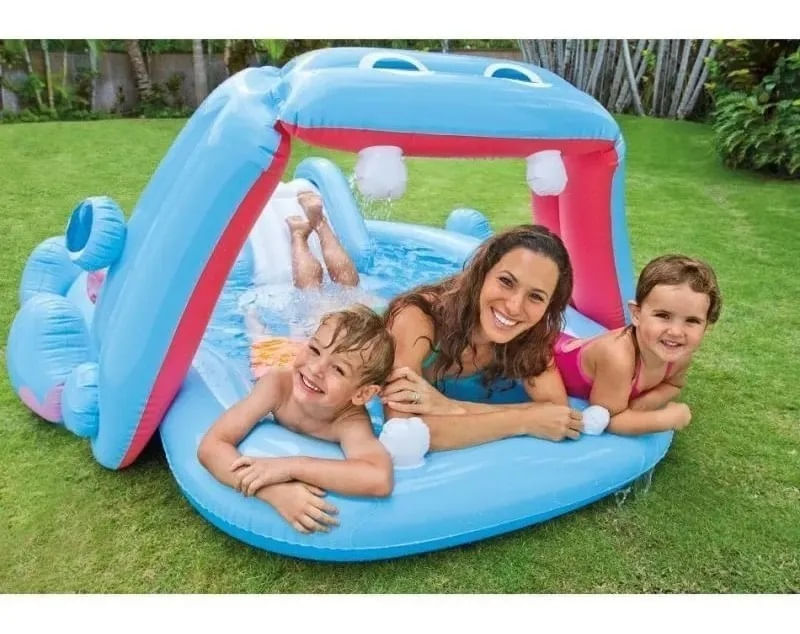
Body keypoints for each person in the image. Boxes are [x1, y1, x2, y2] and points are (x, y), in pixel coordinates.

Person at [381, 224, 583, 450]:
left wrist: (450, 407)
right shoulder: (417, 318)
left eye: (535, 297)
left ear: (548, 308)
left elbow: (556, 413)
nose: (514, 307)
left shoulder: (531, 336)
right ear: (482, 273)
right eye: (506, 282)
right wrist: (524, 420)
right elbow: (403, 433)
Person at [198, 304, 395, 534]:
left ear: (362, 394)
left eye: (339, 370)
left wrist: (291, 467)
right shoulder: (277, 387)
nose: (317, 368)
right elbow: (211, 446)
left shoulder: (349, 421)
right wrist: (273, 492)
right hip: (271, 361)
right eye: (314, 349)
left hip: (291, 364)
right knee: (260, 340)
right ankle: (252, 315)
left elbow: (379, 478)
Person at [553, 254, 722, 434]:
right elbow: (608, 419)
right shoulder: (618, 358)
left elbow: (673, 385)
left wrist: (643, 404)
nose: (676, 332)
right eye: (663, 315)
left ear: (706, 326)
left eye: (692, 321)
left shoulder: (680, 355)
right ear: (636, 314)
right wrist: (666, 419)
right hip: (551, 351)